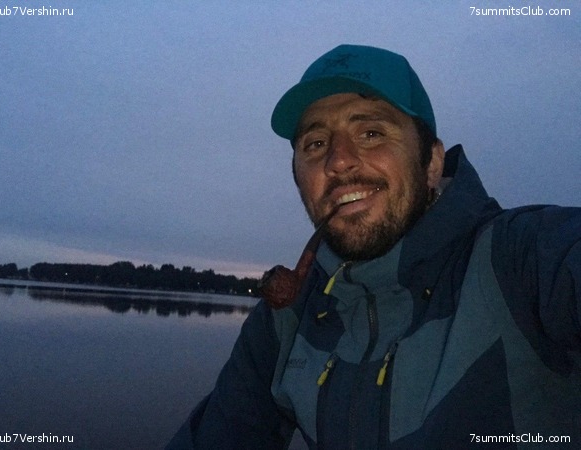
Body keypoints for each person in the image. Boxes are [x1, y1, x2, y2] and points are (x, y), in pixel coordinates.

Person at [166, 44, 581, 449]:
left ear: (432, 163)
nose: (338, 161)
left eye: (370, 133)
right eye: (316, 144)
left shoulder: (523, 259)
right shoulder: (287, 318)